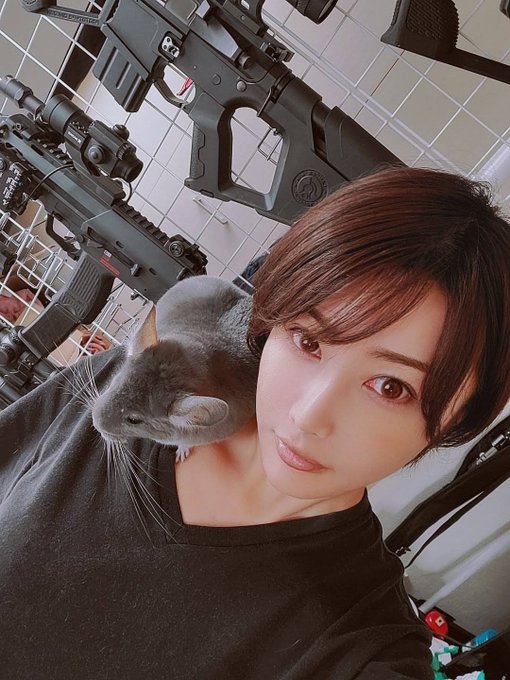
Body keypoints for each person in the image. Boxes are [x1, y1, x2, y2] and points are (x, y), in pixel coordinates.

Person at [1, 166, 510, 679]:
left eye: (391, 387)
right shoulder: (131, 391)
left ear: (459, 419)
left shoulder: (362, 647)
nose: (307, 416)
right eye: (308, 341)